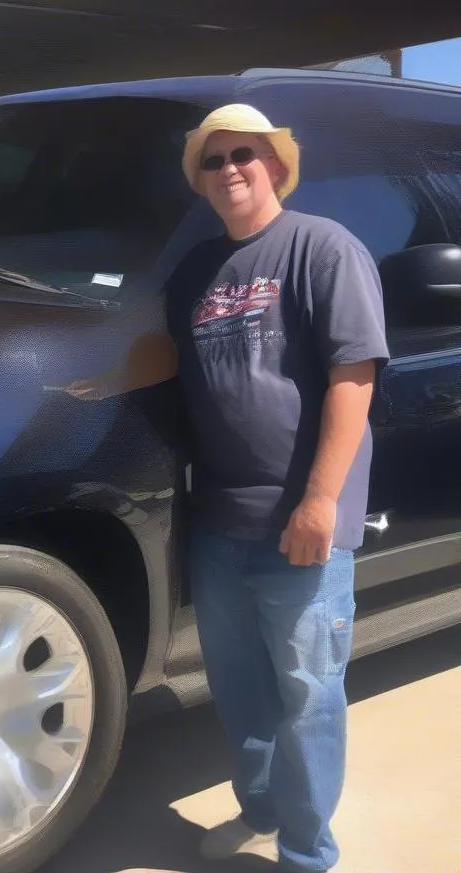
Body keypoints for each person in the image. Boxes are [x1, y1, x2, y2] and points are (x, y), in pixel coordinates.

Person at [68, 104, 388, 872]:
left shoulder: (323, 249)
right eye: (213, 161)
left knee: (308, 697)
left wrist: (319, 501)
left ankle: (307, 852)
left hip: (301, 527)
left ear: (275, 165)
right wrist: (75, 392)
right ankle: (261, 810)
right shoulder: (196, 274)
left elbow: (354, 378)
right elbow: (162, 358)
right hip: (218, 528)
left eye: (244, 154)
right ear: (202, 181)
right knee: (241, 692)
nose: (230, 170)